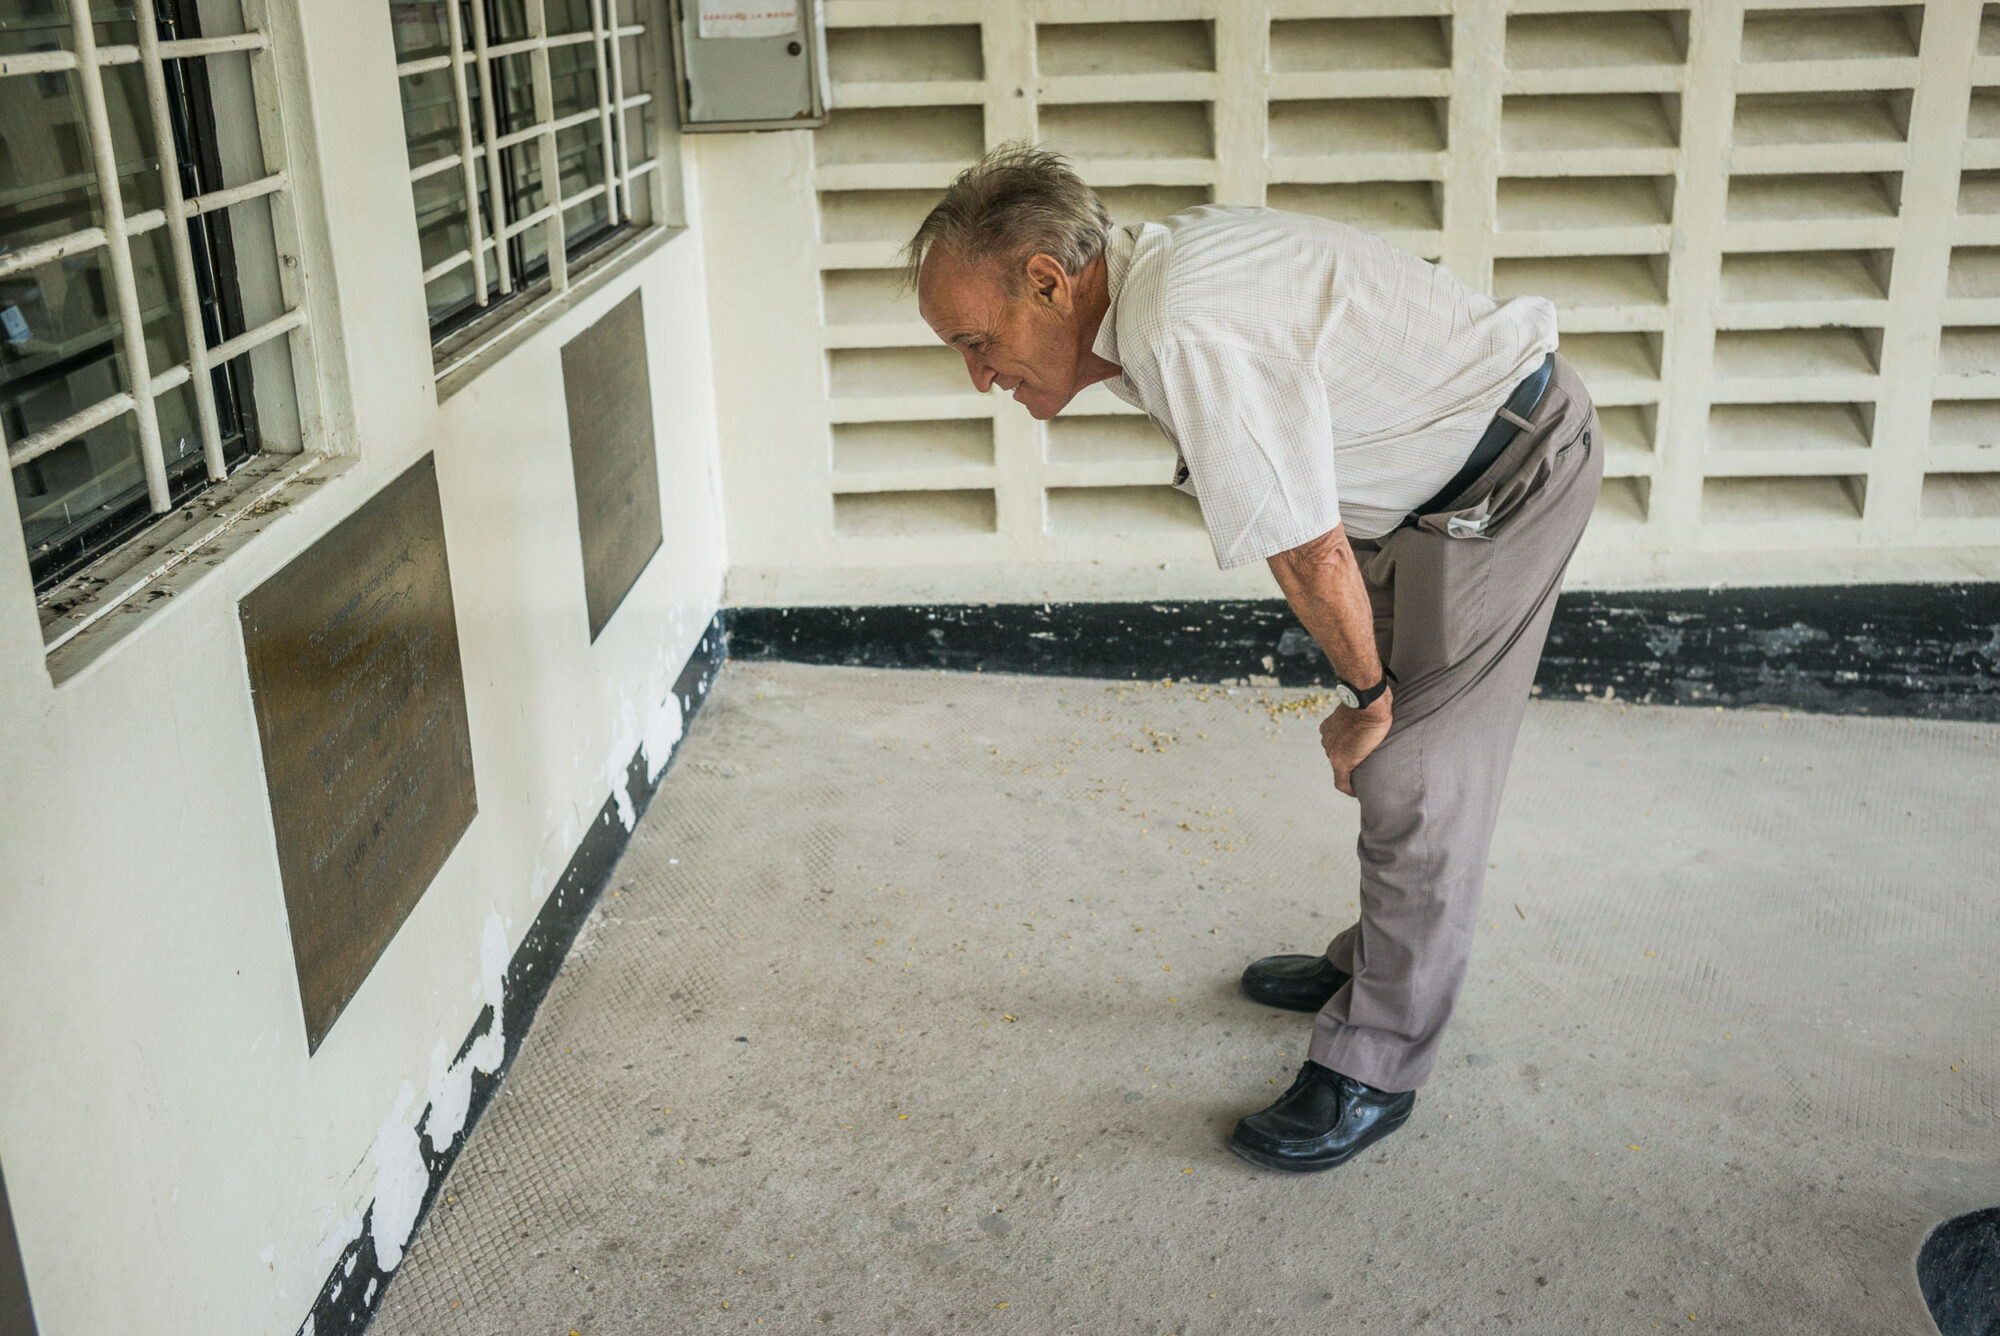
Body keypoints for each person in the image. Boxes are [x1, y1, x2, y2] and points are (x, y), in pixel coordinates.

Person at [905, 144, 1603, 1174]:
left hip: (1503, 485)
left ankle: (1377, 1064)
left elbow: (1301, 543)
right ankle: (1371, 968)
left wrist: (1367, 697)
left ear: (1048, 283)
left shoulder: (1181, 320)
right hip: (1420, 497)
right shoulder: (1151, 281)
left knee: (1411, 770)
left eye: (976, 339)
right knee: (1398, 752)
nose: (978, 376)